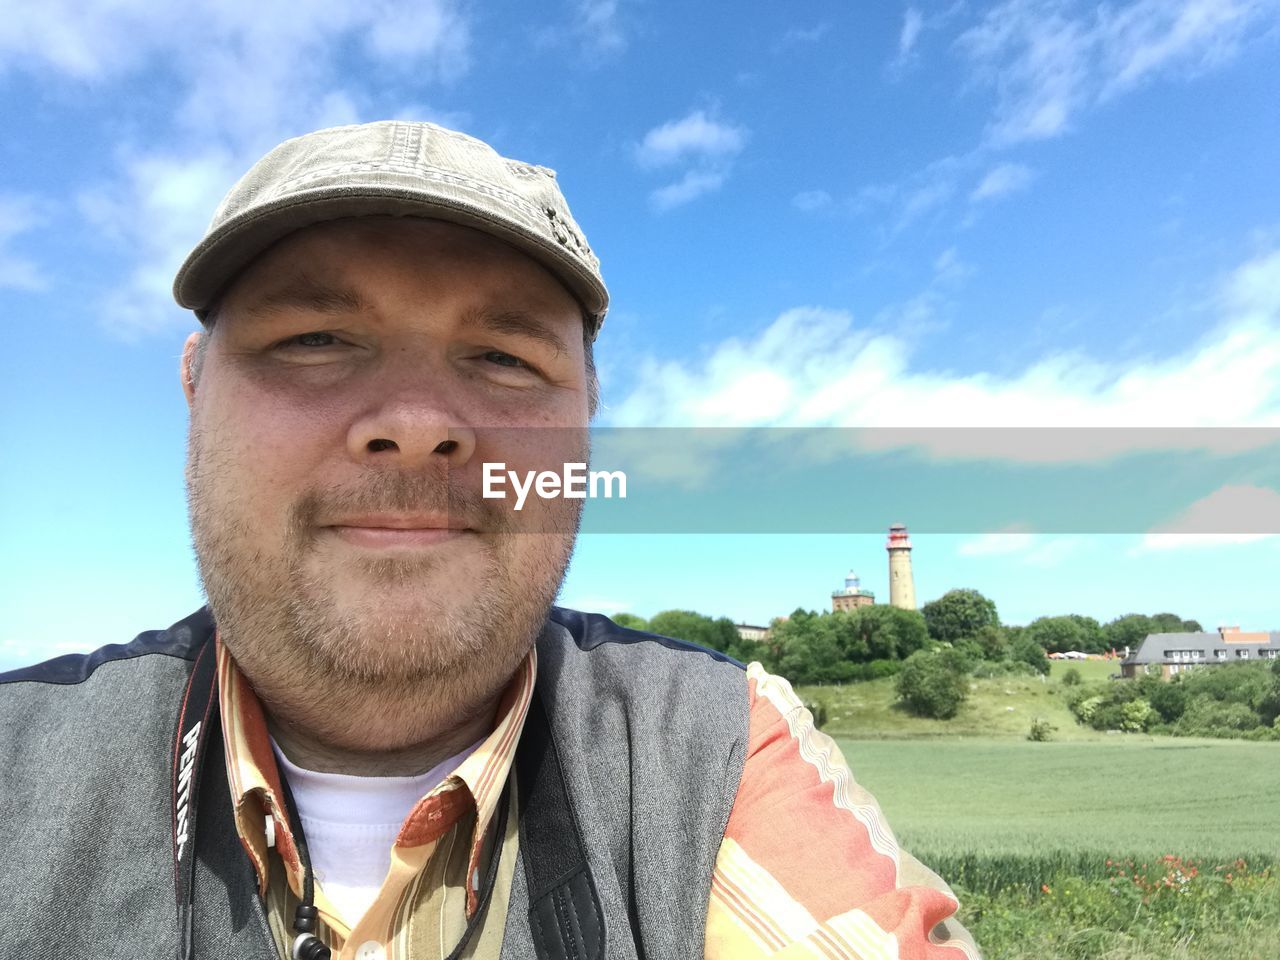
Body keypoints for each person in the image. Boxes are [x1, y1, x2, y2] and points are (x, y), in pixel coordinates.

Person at [0, 121, 979, 960]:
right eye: (313, 338)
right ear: (191, 387)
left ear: (587, 417)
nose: (418, 421)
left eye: (504, 358)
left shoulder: (714, 755)